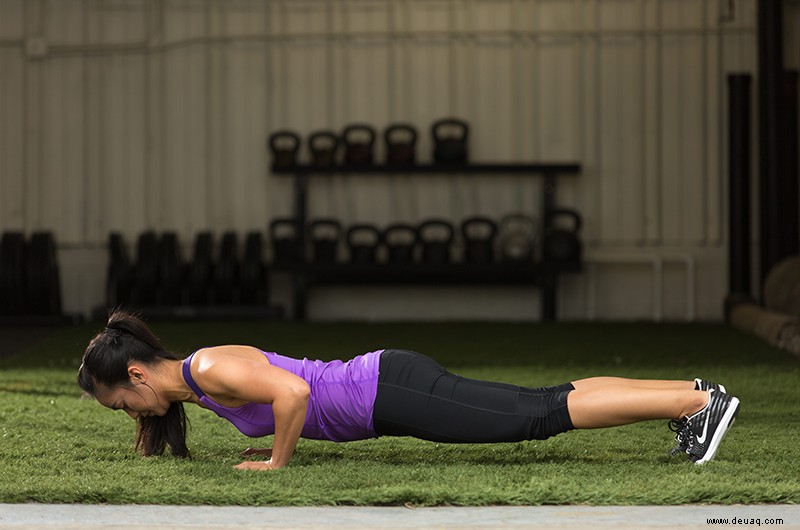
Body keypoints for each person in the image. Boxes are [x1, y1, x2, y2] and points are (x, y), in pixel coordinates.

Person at [77, 310, 740, 470]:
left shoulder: (208, 367)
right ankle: (691, 394)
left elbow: (293, 396)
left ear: (136, 375)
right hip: (385, 391)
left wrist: (278, 463)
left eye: (119, 403)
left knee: (537, 414)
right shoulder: (190, 387)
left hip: (384, 389)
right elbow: (156, 415)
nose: (126, 413)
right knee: (540, 399)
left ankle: (696, 405)